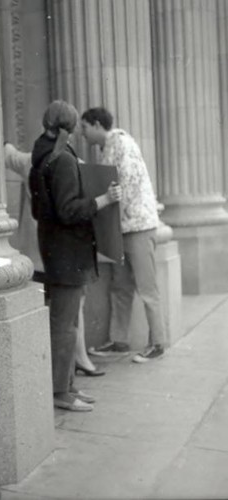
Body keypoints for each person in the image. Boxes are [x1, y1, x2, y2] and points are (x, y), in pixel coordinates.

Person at [29, 100, 121, 411]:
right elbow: (69, 210)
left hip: (55, 249)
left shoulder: (41, 155)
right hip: (69, 252)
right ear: (68, 126)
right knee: (65, 326)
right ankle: (60, 393)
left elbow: (38, 210)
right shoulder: (63, 159)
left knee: (64, 323)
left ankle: (67, 386)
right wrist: (103, 200)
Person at [4, 143, 105, 377]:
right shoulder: (70, 162)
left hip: (36, 251)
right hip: (61, 248)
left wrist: (7, 144)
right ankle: (76, 361)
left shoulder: (30, 159)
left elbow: (7, 154)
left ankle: (63, 365)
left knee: (56, 311)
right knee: (69, 309)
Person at [81, 106, 166, 363]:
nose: (83, 134)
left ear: (97, 125)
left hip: (137, 227)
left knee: (146, 287)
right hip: (127, 227)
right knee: (121, 286)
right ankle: (119, 340)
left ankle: (158, 343)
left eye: (84, 127)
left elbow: (125, 185)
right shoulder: (112, 146)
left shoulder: (122, 144)